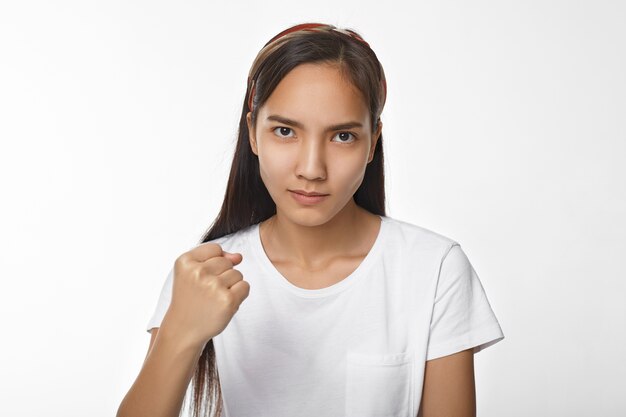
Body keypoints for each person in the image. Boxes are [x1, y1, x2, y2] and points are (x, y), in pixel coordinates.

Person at [117, 22, 505, 417]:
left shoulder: (432, 269)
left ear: (373, 141)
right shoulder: (206, 273)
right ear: (252, 132)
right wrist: (180, 334)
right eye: (285, 131)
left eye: (342, 137)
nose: (311, 168)